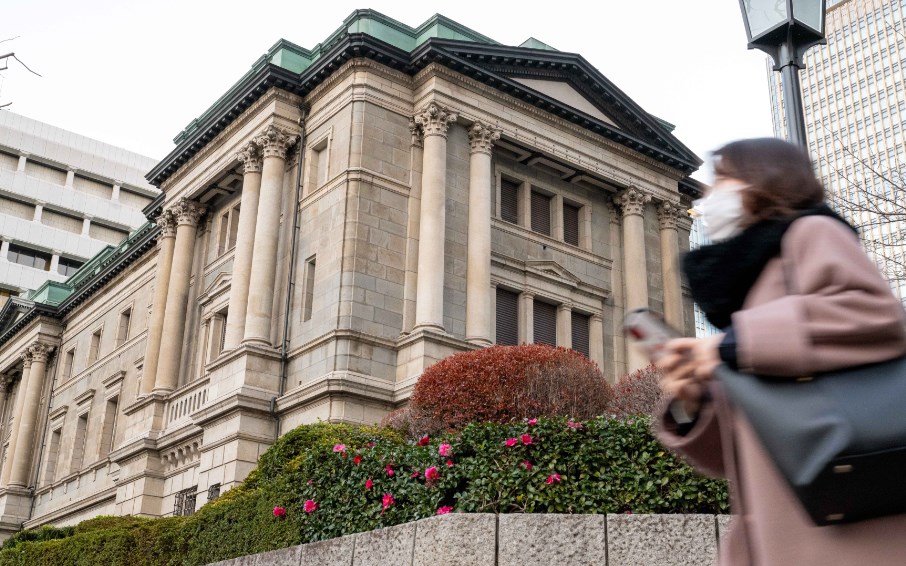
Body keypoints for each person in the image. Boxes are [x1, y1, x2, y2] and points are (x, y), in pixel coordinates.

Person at [654, 138, 906, 565]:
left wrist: (733, 344)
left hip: (847, 532)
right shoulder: (749, 289)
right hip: (782, 530)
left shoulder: (813, 231)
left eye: (724, 179)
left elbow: (874, 313)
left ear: (764, 180)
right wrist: (693, 404)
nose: (711, 195)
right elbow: (733, 456)